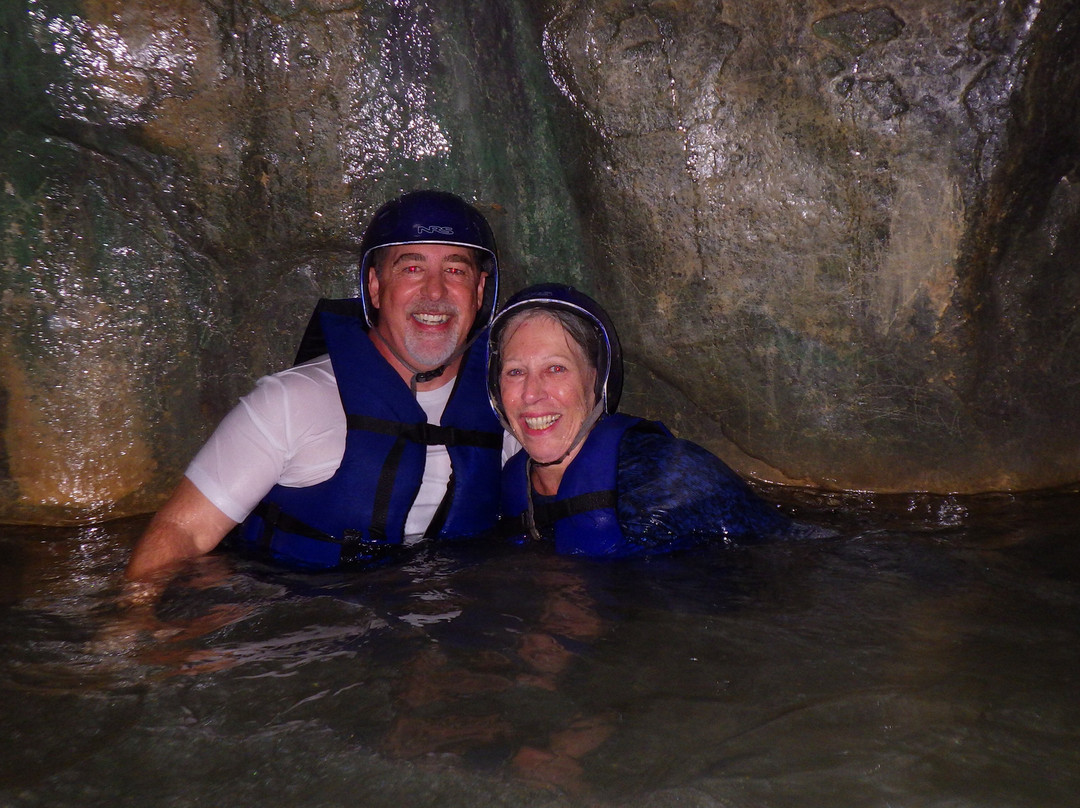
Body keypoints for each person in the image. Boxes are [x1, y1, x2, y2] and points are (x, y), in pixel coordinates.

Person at [126, 190, 515, 579]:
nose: (435, 291)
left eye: (455, 270)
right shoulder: (290, 402)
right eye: (411, 269)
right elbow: (183, 531)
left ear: (480, 292)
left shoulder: (512, 406)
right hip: (304, 615)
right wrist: (140, 622)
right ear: (375, 286)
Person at [487, 283, 790, 557]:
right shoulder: (507, 489)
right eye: (515, 372)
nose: (530, 394)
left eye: (556, 369)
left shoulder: (671, 477)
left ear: (598, 379)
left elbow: (790, 557)